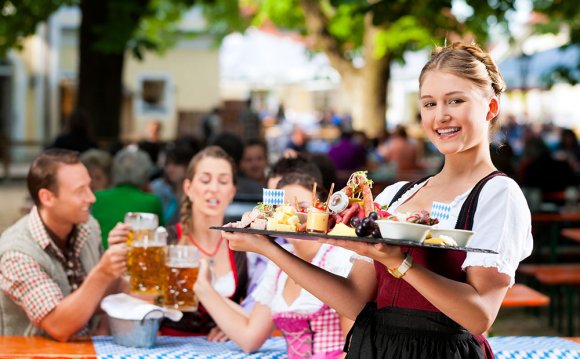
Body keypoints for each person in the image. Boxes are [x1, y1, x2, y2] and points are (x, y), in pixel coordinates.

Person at [223, 42, 533, 358]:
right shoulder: (397, 195)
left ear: (490, 108)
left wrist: (398, 261)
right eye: (429, 104)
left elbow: (479, 317)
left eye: (456, 100)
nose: (440, 116)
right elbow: (355, 300)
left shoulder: (498, 195)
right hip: (375, 348)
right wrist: (268, 247)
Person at [196, 172, 354, 358]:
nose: (291, 215)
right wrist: (203, 288)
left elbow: (354, 350)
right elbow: (249, 338)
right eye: (283, 210)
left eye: (301, 208)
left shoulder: (338, 259)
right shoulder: (278, 265)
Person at [0, 149, 129, 341]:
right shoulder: (16, 252)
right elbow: (58, 326)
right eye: (80, 191)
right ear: (47, 198)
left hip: (88, 348)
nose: (92, 198)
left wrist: (119, 263)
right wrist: (102, 272)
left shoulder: (87, 227)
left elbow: (102, 297)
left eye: (90, 187)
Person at [159, 146, 249, 339]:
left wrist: (233, 325)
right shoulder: (165, 241)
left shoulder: (243, 246)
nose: (214, 188)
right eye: (205, 180)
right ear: (188, 188)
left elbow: (258, 309)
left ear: (232, 191)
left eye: (223, 181)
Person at [91, 146, 163, 249]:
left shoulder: (99, 197)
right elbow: (160, 235)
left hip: (102, 255)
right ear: (145, 173)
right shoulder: (152, 200)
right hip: (136, 257)